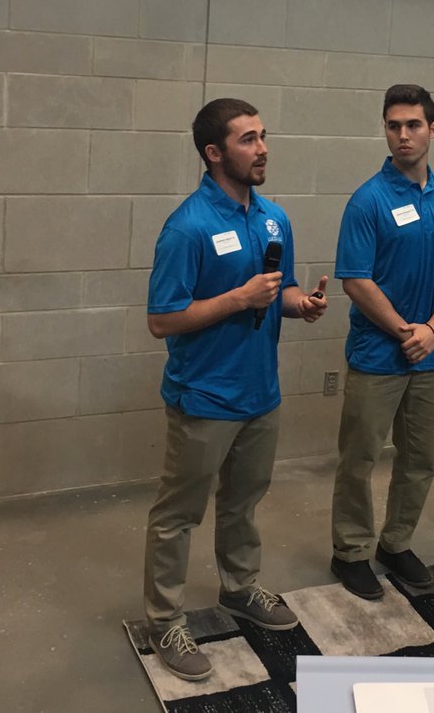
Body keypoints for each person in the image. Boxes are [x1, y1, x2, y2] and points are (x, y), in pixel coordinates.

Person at [143, 98, 328, 681]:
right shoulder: (188, 227)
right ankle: (163, 617)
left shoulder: (274, 218)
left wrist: (304, 304)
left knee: (244, 503)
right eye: (248, 139)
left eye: (264, 136)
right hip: (204, 397)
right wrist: (237, 300)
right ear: (214, 152)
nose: (263, 148)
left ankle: (239, 588)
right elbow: (162, 319)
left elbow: (284, 290)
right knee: (178, 515)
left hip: (259, 395)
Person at [330, 84, 434, 600]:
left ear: (432, 129)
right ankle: (350, 551)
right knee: (360, 458)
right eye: (394, 126)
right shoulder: (368, 200)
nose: (403, 135)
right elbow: (356, 279)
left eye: (413, 125)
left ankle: (396, 543)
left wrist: (431, 330)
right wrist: (403, 330)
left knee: (419, 459)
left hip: (431, 354)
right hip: (377, 355)